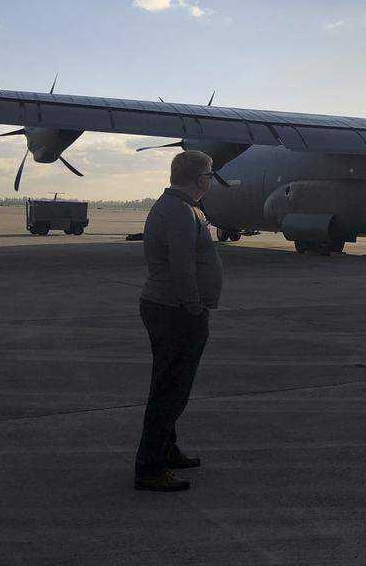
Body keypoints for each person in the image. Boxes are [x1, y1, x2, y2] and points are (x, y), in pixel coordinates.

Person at [134, 150, 224, 492]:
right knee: (170, 390)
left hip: (172, 307)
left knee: (172, 385)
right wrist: (193, 304)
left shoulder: (181, 208)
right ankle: (150, 467)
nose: (212, 179)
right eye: (211, 174)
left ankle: (166, 450)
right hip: (175, 310)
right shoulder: (179, 211)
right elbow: (182, 264)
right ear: (200, 179)